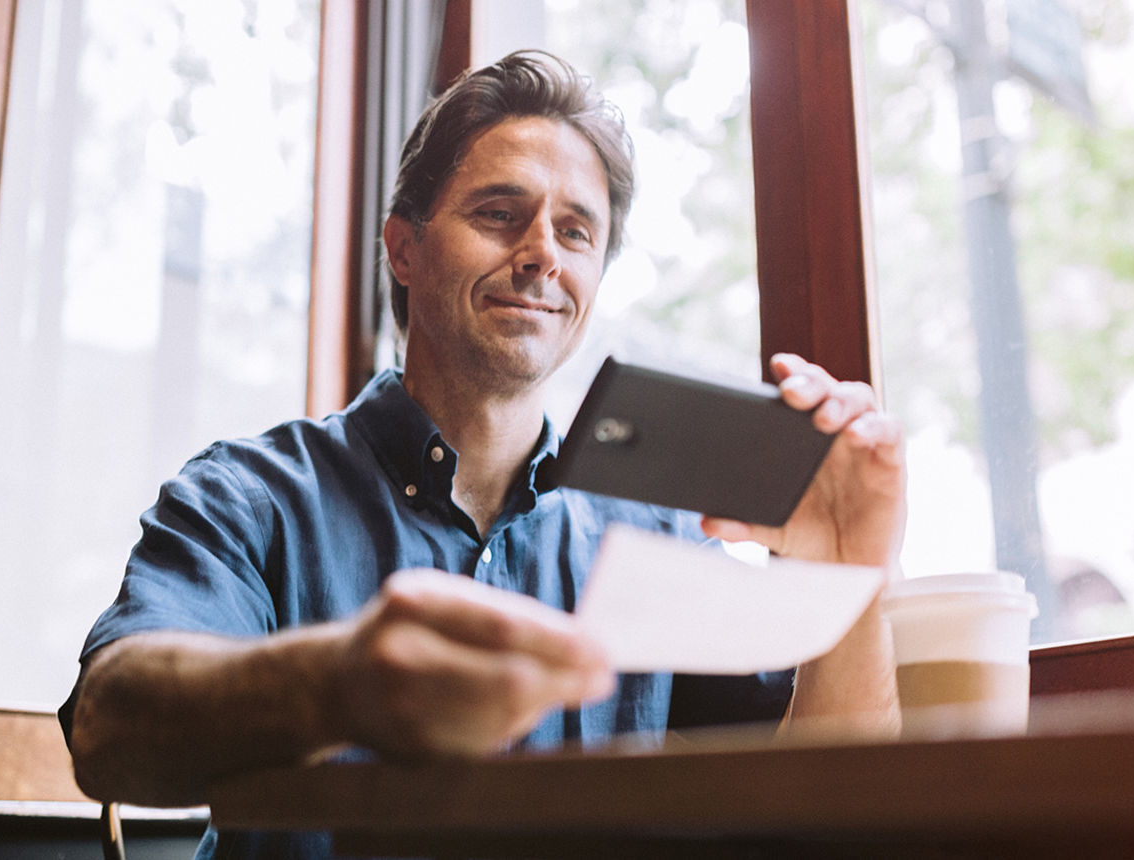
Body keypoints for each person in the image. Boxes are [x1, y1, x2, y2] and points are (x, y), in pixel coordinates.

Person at [59, 50, 905, 859]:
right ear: (404, 249)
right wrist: (338, 686)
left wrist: (850, 577)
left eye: (576, 232)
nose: (542, 255)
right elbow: (106, 731)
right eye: (500, 213)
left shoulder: (657, 538)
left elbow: (829, 804)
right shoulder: (249, 498)